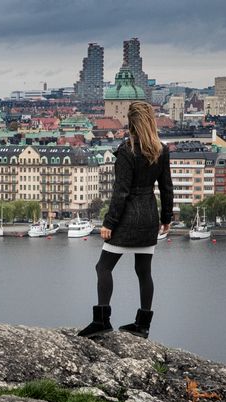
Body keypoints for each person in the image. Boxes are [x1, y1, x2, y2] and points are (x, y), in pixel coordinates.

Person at [78, 101, 173, 339]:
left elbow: (121, 192)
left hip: (127, 219)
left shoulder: (126, 151)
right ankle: (142, 326)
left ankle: (101, 321)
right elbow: (167, 188)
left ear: (131, 122)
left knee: (103, 267)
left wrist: (109, 222)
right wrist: (166, 218)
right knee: (144, 272)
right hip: (150, 216)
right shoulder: (161, 150)